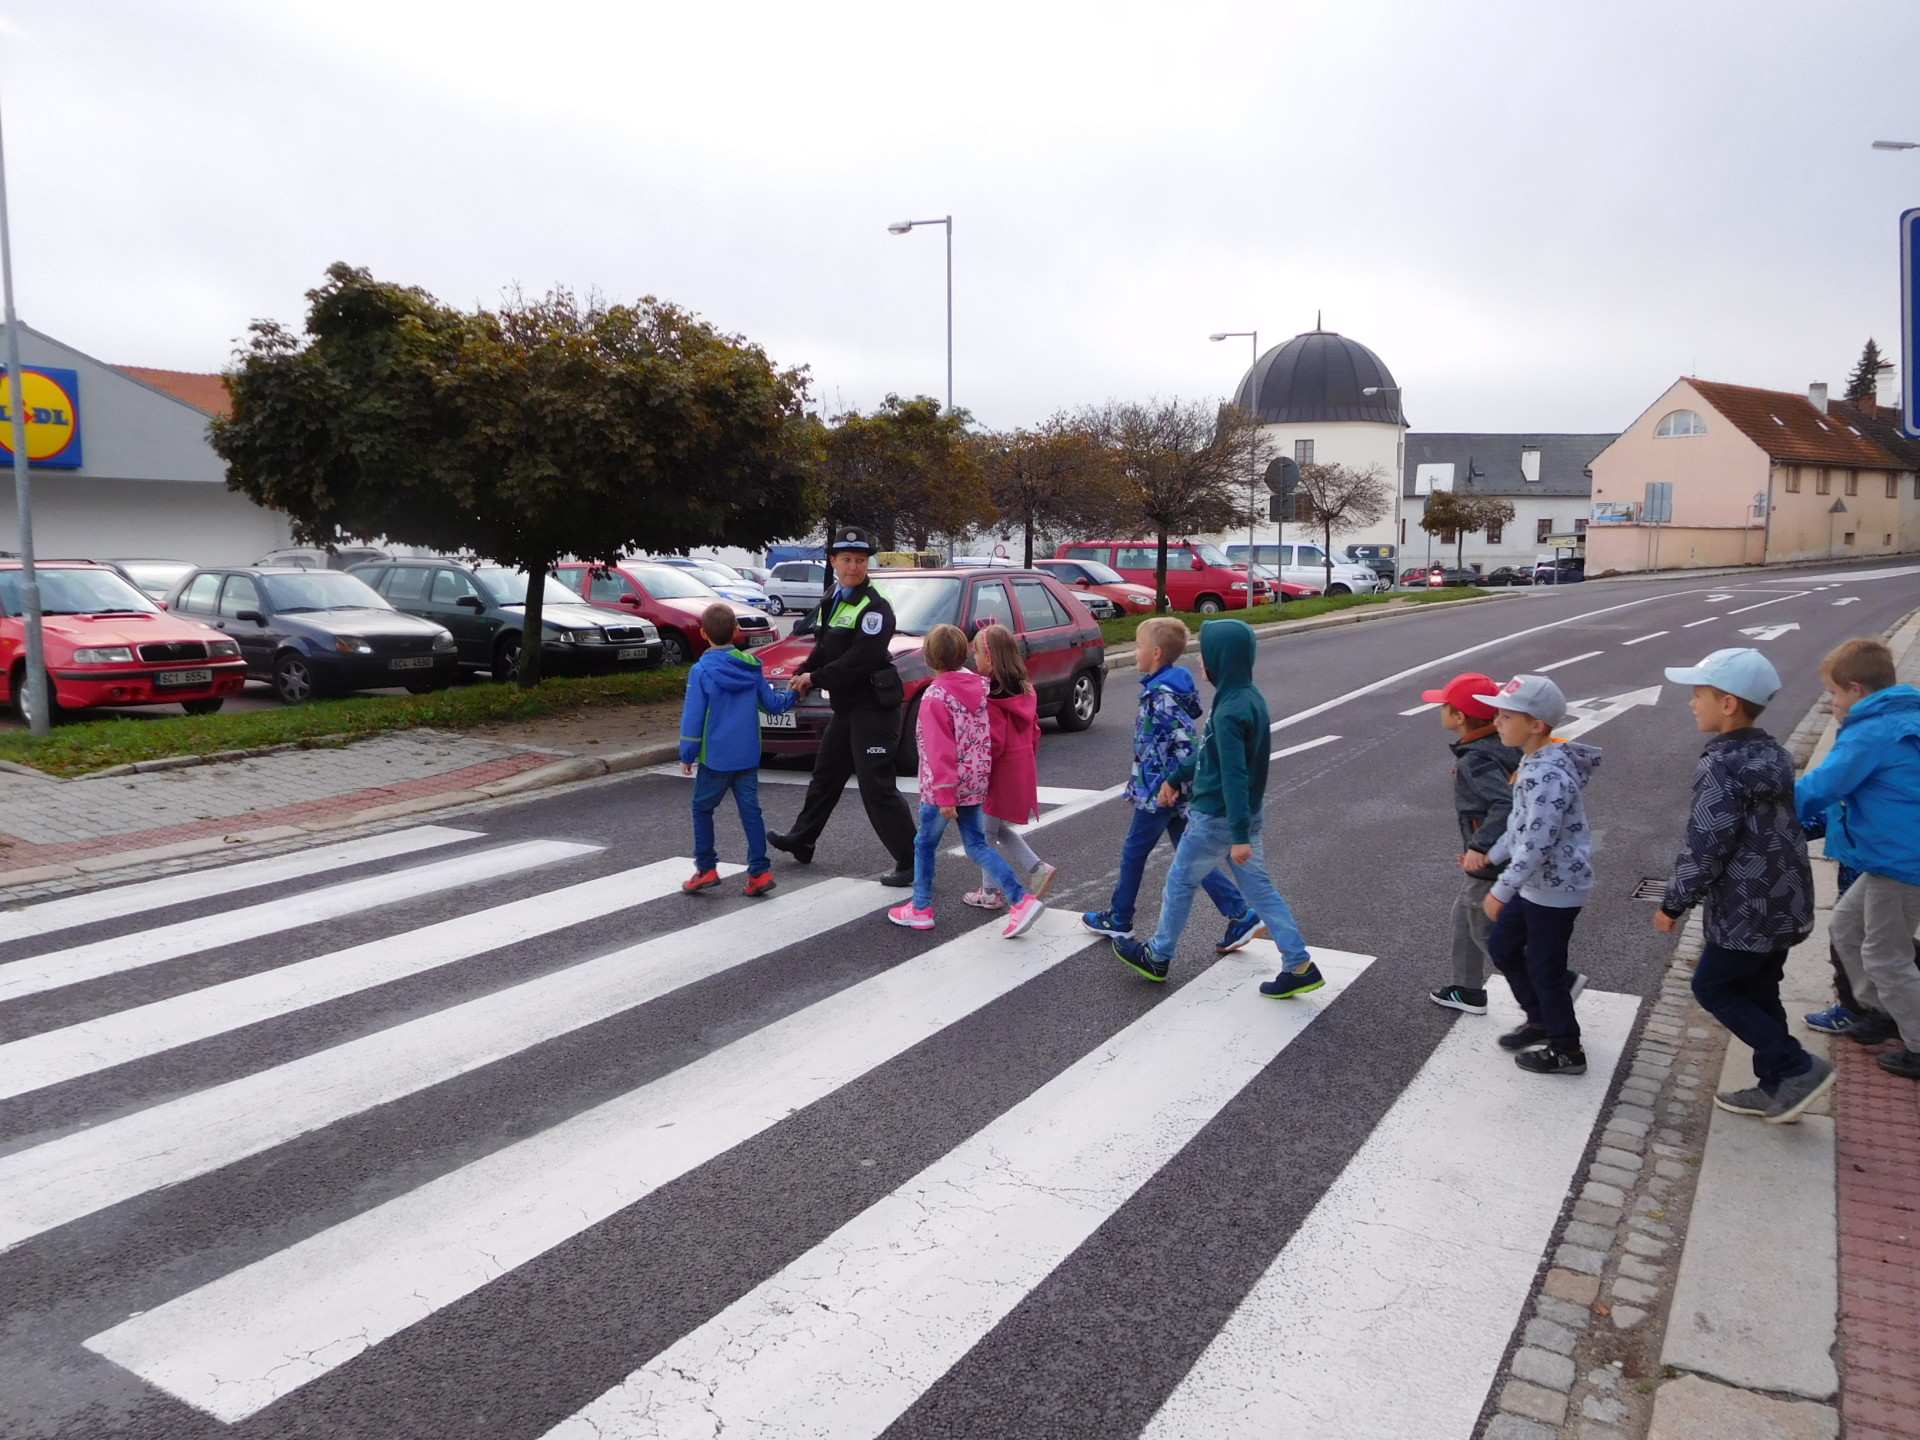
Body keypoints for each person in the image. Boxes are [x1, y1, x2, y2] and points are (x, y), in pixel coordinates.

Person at [1655, 648, 1828, 1121]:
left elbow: (1707, 844)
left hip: (1745, 907)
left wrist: (1673, 903)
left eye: (1699, 694)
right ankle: (1777, 1087)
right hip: (1786, 897)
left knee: (1713, 987)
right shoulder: (1775, 754)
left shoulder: (1720, 766)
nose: (1692, 703)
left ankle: (1797, 1068)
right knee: (1760, 989)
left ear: (1728, 704)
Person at [1110, 617, 1321, 996]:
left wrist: (1239, 836)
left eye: (1205, 656)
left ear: (1222, 660)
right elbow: (1210, 751)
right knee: (1261, 891)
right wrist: (1176, 778)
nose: (1198, 661)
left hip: (1216, 818)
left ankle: (1158, 955)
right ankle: (1299, 963)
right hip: (1243, 815)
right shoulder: (1247, 697)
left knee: (1179, 883)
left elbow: (1235, 774)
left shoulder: (1229, 711)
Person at [1080, 616, 1266, 955]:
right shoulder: (1163, 689)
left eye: (1138, 646)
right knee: (1189, 855)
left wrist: (1173, 782)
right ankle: (1240, 914)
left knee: (1134, 852)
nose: (1134, 652)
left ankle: (1121, 918)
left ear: (1156, 653)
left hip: (1160, 793)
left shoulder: (1161, 696)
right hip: (1164, 789)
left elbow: (1187, 744)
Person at [1794, 637, 1920, 1082]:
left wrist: (1765, 804)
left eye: (1833, 692)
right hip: (1894, 856)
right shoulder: (1903, 716)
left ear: (1856, 689)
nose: (1831, 702)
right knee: (1847, 927)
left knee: (1886, 954)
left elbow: (1822, 787)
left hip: (1902, 861)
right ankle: (1883, 1011)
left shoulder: (1872, 730)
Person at [769, 526, 917, 885]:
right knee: (826, 774)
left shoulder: (876, 606)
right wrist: (803, 670)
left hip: (873, 707)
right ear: (833, 561)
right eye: (847, 559)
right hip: (847, 707)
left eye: (860, 560)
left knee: (876, 785)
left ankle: (913, 861)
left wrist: (815, 679)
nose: (854, 566)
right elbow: (823, 646)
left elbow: (860, 659)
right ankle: (802, 840)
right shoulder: (834, 596)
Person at [1473, 674, 1601, 1076]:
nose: (1496, 722)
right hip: (1537, 886)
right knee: (1504, 947)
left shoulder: (1547, 775)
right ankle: (1540, 1019)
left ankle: (1567, 1049)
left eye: (1506, 716)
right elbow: (1520, 825)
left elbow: (1536, 842)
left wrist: (1502, 888)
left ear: (1536, 725)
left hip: (1557, 888)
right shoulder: (1531, 763)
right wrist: (1491, 854)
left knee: (1545, 968)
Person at [887, 623, 1046, 938]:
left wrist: (945, 794)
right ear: (965, 655)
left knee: (924, 844)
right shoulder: (981, 687)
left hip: (942, 788)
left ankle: (921, 908)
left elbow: (939, 749)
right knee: (976, 844)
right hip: (976, 782)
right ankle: (1020, 899)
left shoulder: (934, 697)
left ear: (928, 659)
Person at [678, 603, 798, 897]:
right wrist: (793, 693)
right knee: (750, 811)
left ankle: (706, 868)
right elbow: (772, 705)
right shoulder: (751, 667)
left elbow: (693, 716)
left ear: (703, 633)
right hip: (747, 754)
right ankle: (759, 871)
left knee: (702, 809)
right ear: (736, 632)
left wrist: (687, 754)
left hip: (716, 757)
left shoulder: (700, 671)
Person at [1422, 672, 1523, 1015]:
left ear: (1459, 716)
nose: (1440, 711)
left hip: (1495, 858)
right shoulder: (1501, 743)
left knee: (1486, 930)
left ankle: (1553, 980)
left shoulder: (1476, 758)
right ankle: (1468, 990)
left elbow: (1504, 803)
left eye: (1444, 706)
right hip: (1502, 853)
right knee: (1465, 917)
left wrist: (1480, 847)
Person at [963, 623, 1059, 910]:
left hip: (998, 773)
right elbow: (1035, 731)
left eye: (977, 653)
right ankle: (1035, 867)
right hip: (1020, 766)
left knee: (984, 836)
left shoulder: (990, 698)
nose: (974, 658)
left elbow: (993, 742)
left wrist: (974, 771)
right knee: (994, 829)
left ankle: (991, 891)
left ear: (990, 659)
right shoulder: (1025, 690)